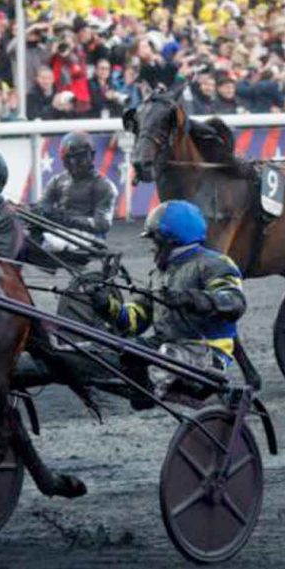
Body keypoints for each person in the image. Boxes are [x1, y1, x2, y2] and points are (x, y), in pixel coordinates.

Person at [87, 200, 246, 408]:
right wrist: (108, 306)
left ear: (170, 241)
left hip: (206, 353)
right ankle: (142, 392)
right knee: (116, 349)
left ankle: (148, 390)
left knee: (149, 357)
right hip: (167, 346)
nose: (151, 248)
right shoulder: (159, 274)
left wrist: (190, 298)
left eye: (154, 241)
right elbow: (135, 321)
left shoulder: (216, 264)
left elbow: (234, 303)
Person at [37, 131, 118, 253]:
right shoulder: (56, 181)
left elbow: (102, 225)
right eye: (70, 159)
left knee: (48, 243)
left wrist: (65, 219)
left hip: (87, 236)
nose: (75, 163)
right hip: (58, 230)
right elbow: (42, 206)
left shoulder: (105, 186)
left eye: (80, 158)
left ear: (91, 156)